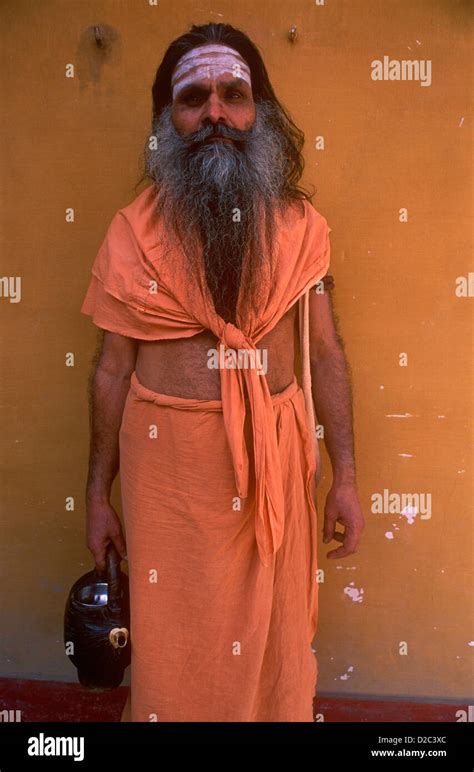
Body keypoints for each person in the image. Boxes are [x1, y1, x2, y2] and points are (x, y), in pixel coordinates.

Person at [81, 22, 364, 722]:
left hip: (278, 465)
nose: (215, 113)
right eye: (193, 98)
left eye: (233, 95)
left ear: (258, 112)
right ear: (166, 121)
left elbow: (325, 353)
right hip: (169, 482)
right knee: (174, 650)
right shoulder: (131, 233)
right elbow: (112, 372)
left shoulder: (302, 229)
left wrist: (348, 479)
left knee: (273, 653)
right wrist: (96, 495)